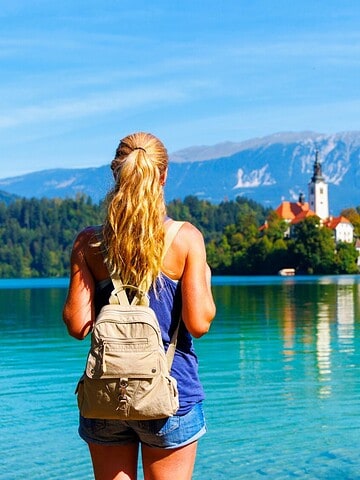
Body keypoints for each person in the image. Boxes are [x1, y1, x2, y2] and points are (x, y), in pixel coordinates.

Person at [63, 132, 216, 480]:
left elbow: (77, 325)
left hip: (106, 397)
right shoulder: (185, 239)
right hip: (169, 395)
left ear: (116, 173)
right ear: (163, 176)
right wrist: (203, 278)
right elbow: (199, 323)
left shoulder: (89, 243)